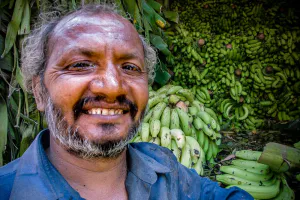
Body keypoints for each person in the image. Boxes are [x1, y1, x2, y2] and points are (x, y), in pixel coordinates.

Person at [0, 3, 253, 200]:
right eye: (80, 65)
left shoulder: (166, 172)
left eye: (130, 67)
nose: (112, 87)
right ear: (40, 92)